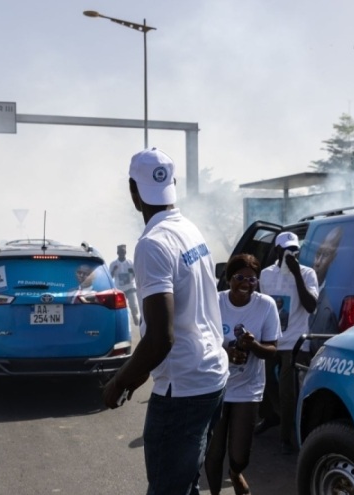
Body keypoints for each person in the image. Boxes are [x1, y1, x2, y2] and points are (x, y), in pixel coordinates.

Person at [102, 147, 229, 495]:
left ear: (133, 191)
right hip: (211, 375)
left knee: (168, 489)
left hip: (183, 390)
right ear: (172, 183)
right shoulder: (188, 228)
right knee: (185, 482)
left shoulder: (153, 244)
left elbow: (161, 338)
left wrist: (120, 381)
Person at [204, 254, 280, 495]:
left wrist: (253, 346)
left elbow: (271, 350)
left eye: (252, 279)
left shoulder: (265, 305)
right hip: (215, 386)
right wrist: (227, 352)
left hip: (248, 388)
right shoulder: (214, 302)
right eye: (239, 277)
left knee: (240, 455)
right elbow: (202, 343)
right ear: (229, 279)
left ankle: (235, 473)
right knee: (213, 453)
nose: (246, 283)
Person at [257, 231, 317, 454]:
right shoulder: (266, 275)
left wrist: (297, 275)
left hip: (295, 343)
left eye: (295, 251)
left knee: (287, 390)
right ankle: (274, 416)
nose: (292, 255)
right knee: (263, 383)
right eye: (287, 251)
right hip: (272, 339)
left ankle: (286, 437)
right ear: (277, 252)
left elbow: (311, 306)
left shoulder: (308, 273)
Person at [309, 226, 343, 342]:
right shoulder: (301, 286)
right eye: (318, 254)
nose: (317, 263)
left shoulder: (331, 303)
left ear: (335, 259)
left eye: (326, 255)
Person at [110, 244, 141, 325]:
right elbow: (110, 277)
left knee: (134, 306)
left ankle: (135, 319)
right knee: (121, 308)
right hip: (120, 289)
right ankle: (123, 323)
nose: (122, 254)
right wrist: (113, 270)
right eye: (120, 252)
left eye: (123, 252)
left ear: (125, 252)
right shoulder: (113, 264)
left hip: (130, 287)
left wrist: (133, 272)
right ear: (117, 253)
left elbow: (137, 275)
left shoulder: (130, 262)